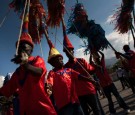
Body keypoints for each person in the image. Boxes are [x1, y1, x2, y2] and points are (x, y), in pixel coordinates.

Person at [0, 15, 57, 115]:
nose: (21, 50)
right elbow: (7, 89)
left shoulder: (37, 59)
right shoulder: (17, 73)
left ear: (31, 49)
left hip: (43, 109)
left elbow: (39, 72)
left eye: (24, 47)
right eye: (19, 48)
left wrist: (25, 64)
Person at [62, 22, 104, 115]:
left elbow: (91, 70)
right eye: (66, 51)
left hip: (90, 90)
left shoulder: (81, 61)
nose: (68, 52)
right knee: (85, 113)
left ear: (73, 50)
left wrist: (96, 67)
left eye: (70, 50)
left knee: (97, 111)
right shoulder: (65, 67)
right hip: (78, 95)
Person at [46, 41, 97, 115]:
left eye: (61, 59)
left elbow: (79, 76)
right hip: (63, 105)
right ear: (53, 63)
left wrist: (91, 80)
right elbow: (50, 82)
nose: (61, 60)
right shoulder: (52, 73)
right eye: (59, 59)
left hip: (75, 101)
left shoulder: (69, 70)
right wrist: (49, 87)